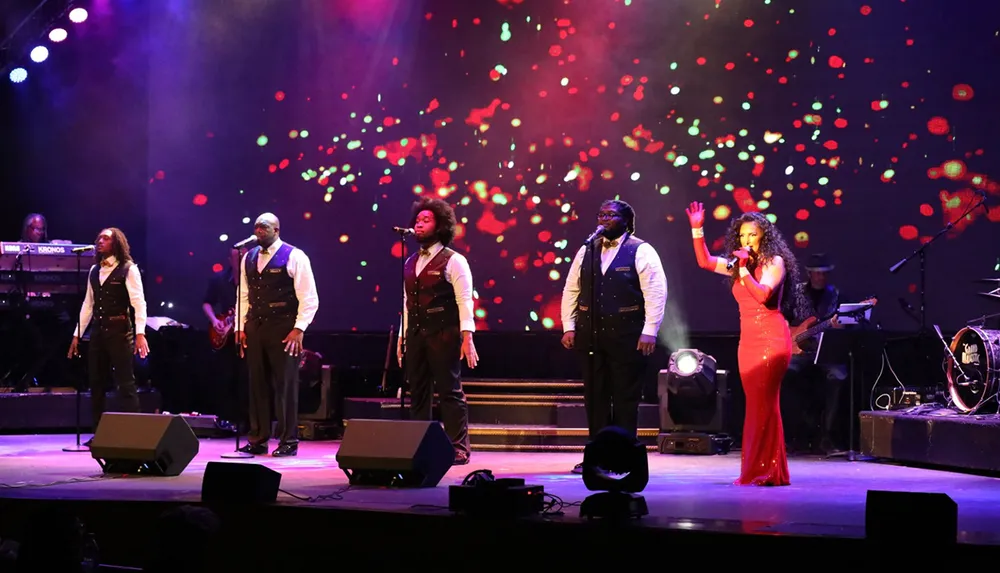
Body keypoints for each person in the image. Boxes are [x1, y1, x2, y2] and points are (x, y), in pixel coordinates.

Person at [685, 202, 810, 486]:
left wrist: (742, 269)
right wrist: (697, 228)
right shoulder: (738, 264)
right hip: (748, 342)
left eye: (752, 235)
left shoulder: (773, 262)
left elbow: (763, 295)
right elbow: (705, 261)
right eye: (742, 236)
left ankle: (766, 470)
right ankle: (763, 469)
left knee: (764, 404)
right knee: (757, 405)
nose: (746, 240)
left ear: (763, 236)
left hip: (771, 340)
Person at [561, 199, 667, 474]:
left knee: (624, 397)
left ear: (626, 220)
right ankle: (596, 455)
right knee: (595, 397)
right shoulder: (587, 249)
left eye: (610, 215)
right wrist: (568, 326)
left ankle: (621, 456)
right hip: (591, 336)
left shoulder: (641, 250)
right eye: (601, 214)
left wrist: (650, 331)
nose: (604, 219)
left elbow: (656, 292)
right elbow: (572, 288)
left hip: (627, 336)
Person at [397, 197, 479, 465]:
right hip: (417, 334)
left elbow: (464, 300)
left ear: (441, 225)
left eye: (426, 220)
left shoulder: (454, 261)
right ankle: (421, 443)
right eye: (417, 220)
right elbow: (408, 303)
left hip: (444, 332)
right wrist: (402, 336)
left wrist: (467, 337)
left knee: (449, 390)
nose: (419, 225)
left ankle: (458, 447)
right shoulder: (410, 261)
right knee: (418, 391)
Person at [236, 213, 319, 457]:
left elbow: (309, 296)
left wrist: (299, 328)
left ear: (277, 230)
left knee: (285, 384)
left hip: (283, 327)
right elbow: (243, 294)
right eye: (256, 227)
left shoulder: (295, 255)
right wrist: (240, 328)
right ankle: (258, 438)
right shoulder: (248, 257)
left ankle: (288, 441)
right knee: (257, 384)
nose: (259, 231)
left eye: (264, 227)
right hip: (256, 327)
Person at [67, 227, 150, 442]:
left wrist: (140, 334)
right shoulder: (94, 270)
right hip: (98, 332)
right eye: (99, 238)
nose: (100, 241)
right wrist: (77, 334)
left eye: (106, 238)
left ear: (116, 243)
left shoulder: (128, 269)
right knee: (96, 383)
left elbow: (138, 302)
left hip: (120, 331)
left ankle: (135, 435)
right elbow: (88, 304)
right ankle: (100, 434)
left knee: (125, 383)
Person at [782, 253, 849, 455]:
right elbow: (780, 317)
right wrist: (790, 333)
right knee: (786, 373)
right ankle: (793, 436)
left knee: (838, 375)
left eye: (824, 274)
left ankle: (828, 437)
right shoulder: (795, 293)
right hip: (799, 350)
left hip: (824, 350)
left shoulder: (836, 295)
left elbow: (843, 324)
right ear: (809, 273)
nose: (820, 277)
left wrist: (837, 327)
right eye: (817, 273)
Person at [202, 246, 249, 429]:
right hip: (226, 335)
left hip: (248, 335)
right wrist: (215, 321)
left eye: (243, 257)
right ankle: (227, 420)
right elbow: (207, 303)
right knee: (225, 377)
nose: (240, 260)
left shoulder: (255, 280)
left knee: (246, 378)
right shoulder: (219, 279)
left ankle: (247, 421)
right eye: (237, 257)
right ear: (230, 259)